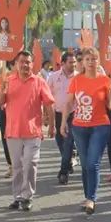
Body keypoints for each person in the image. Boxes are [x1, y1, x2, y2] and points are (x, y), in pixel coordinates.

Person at [0, 50, 55, 211]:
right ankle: (17, 197)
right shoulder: (8, 81)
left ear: (32, 64)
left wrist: (52, 125)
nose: (25, 65)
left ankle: (27, 196)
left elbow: (49, 103)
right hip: (13, 131)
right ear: (16, 64)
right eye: (22, 62)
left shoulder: (39, 81)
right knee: (17, 167)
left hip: (33, 131)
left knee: (30, 164)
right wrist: (2, 90)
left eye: (28, 62)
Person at [61, 47, 111, 215]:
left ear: (98, 61)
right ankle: (87, 197)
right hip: (79, 126)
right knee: (85, 164)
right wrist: (63, 122)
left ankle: (92, 198)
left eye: (94, 59)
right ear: (82, 62)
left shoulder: (105, 80)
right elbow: (69, 103)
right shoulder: (76, 80)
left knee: (93, 163)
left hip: (100, 125)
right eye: (87, 59)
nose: (91, 62)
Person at [48, 52, 77, 184]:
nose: (74, 64)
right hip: (58, 113)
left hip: (73, 114)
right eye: (71, 62)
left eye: (75, 62)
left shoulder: (78, 77)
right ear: (63, 63)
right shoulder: (53, 77)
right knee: (60, 141)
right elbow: (47, 97)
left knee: (68, 141)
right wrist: (46, 115)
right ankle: (68, 161)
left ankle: (63, 172)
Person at [0, 61, 14, 179]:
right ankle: (11, 165)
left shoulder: (25, 77)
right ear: (12, 65)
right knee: (6, 139)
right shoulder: (3, 77)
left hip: (18, 113)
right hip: (4, 113)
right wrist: (3, 90)